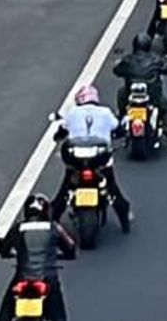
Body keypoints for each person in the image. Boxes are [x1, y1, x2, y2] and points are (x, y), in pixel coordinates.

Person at [0, 191, 77, 321]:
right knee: (58, 312)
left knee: (7, 309)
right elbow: (70, 247)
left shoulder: (18, 228)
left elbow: (4, 249)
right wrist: (66, 255)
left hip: (22, 278)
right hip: (47, 279)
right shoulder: (53, 227)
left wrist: (6, 250)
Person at [54, 84, 132, 225]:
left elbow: (61, 131)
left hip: (76, 160)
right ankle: (124, 217)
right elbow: (118, 129)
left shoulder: (72, 113)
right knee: (112, 189)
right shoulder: (105, 112)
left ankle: (54, 218)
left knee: (65, 189)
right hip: (100, 159)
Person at [113, 34, 167, 152]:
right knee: (165, 110)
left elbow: (117, 71)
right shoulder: (155, 59)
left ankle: (122, 118)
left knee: (121, 94)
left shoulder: (128, 59)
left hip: (130, 95)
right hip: (153, 96)